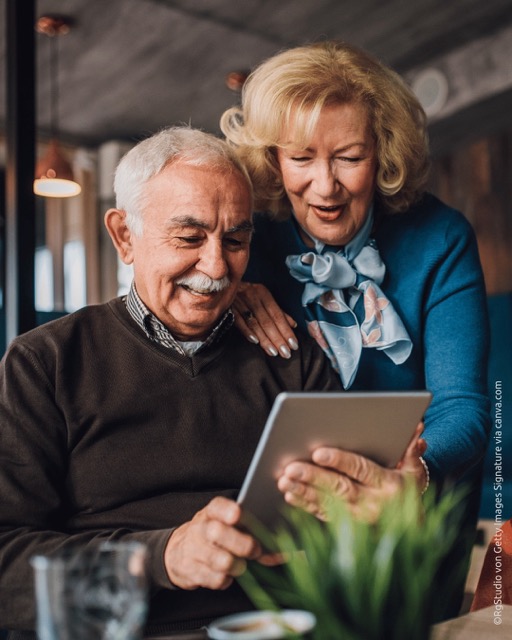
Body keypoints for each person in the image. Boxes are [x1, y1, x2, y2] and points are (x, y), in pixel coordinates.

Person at [0, 126, 427, 635]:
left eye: (236, 240)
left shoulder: (292, 357)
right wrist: (162, 558)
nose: (216, 267)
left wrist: (388, 510)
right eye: (188, 237)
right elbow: (7, 561)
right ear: (124, 236)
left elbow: (347, 546)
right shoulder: (44, 362)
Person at [221, 41, 491, 613]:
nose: (325, 185)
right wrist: (228, 287)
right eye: (301, 158)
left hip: (408, 520)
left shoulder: (440, 238)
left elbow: (464, 407)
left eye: (349, 156)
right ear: (272, 158)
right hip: (283, 529)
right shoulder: (245, 241)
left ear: (383, 153)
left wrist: (413, 478)